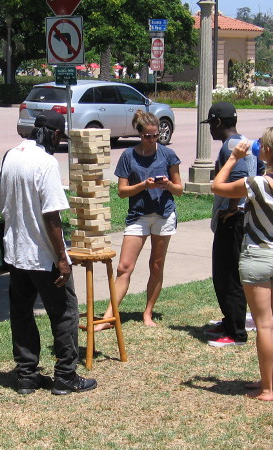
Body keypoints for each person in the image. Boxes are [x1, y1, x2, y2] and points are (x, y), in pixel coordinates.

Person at [0, 110, 97, 396]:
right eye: (60, 135)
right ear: (53, 134)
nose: (60, 140)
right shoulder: (46, 163)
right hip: (44, 257)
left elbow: (1, 205)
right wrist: (62, 259)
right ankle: (65, 376)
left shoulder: (10, 156)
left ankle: (26, 375)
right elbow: (52, 216)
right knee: (65, 313)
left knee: (22, 313)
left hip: (16, 255)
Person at [211, 127, 273, 402]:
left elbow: (217, 187)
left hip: (257, 256)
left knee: (263, 325)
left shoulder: (257, 183)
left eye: (261, 144)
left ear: (267, 151)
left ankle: (266, 390)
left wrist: (232, 158)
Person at [95, 110, 183, 330]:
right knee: (124, 266)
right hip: (138, 216)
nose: (152, 140)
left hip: (164, 214)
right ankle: (109, 316)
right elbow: (122, 192)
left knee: (156, 264)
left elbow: (179, 189)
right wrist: (144, 185)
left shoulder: (168, 155)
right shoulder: (128, 156)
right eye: (148, 136)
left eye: (156, 136)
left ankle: (148, 313)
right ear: (139, 134)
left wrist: (167, 185)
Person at [202, 102, 264, 347]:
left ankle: (237, 332)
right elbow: (258, 171)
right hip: (242, 217)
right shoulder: (246, 142)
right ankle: (229, 321)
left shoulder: (230, 146)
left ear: (218, 122)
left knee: (228, 276)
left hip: (233, 220)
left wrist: (231, 209)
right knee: (225, 273)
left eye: (210, 125)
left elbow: (239, 179)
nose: (210, 131)